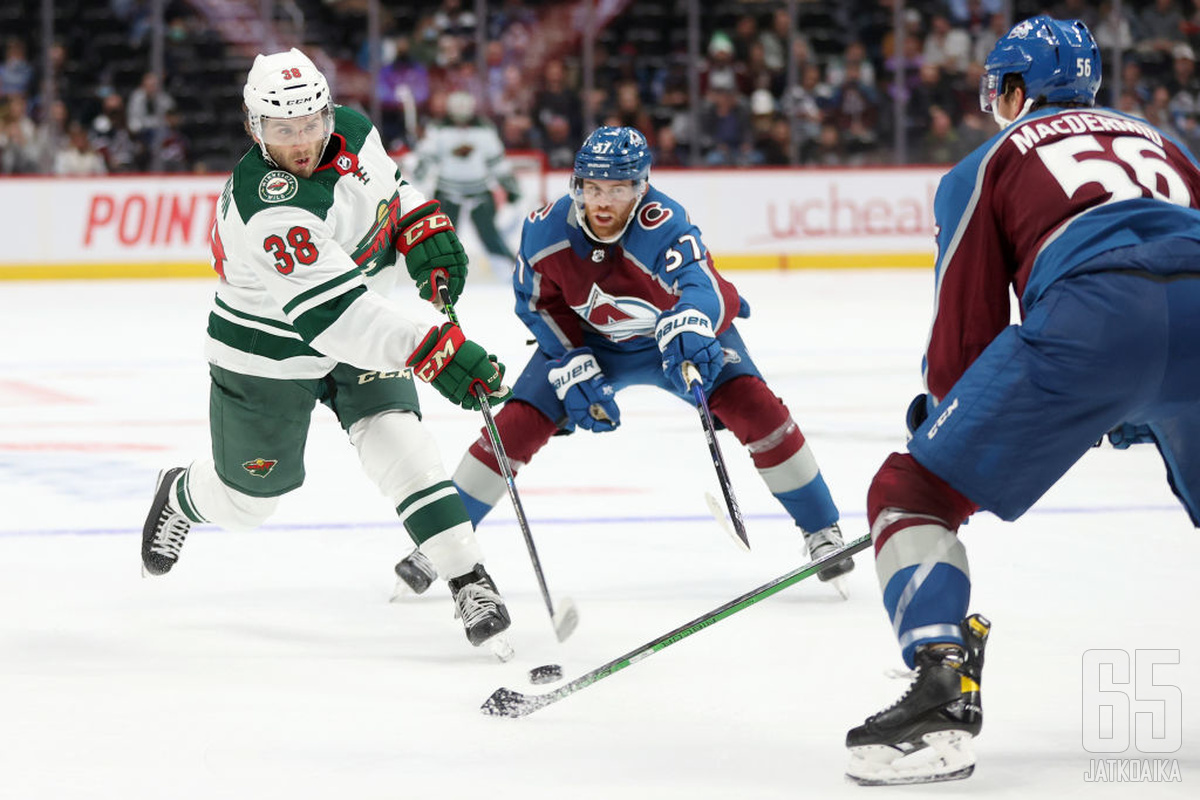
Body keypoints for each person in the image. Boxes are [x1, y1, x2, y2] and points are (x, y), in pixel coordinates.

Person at [845, 16, 1200, 785]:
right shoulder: (1164, 141)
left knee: (911, 493)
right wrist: (1144, 400)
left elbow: (968, 333)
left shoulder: (991, 159)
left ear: (1013, 90)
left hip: (1094, 316)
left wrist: (949, 422)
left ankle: (940, 695)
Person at [139, 48, 516, 654]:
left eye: (311, 123)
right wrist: (436, 352)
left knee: (401, 442)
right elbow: (336, 320)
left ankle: (470, 579)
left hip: (357, 330)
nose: (302, 142)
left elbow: (392, 191)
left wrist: (421, 228)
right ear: (254, 128)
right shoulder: (269, 203)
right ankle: (182, 493)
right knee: (250, 501)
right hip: (269, 353)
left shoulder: (357, 131)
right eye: (283, 130)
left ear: (327, 111)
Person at [391, 125, 854, 596]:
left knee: (758, 409)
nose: (603, 202)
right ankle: (439, 544)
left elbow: (704, 284)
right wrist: (570, 357)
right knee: (514, 425)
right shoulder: (545, 230)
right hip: (593, 344)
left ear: (641, 186)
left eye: (617, 188)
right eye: (593, 188)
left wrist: (691, 321)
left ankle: (822, 530)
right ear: (578, 186)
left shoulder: (663, 222)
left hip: (672, 339)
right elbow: (536, 304)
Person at [412, 91, 521, 278]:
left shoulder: (484, 130)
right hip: (447, 192)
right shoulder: (438, 129)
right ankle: (438, 274)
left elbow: (496, 161)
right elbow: (427, 156)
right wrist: (419, 171)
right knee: (443, 238)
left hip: (479, 191)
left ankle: (516, 271)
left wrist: (510, 186)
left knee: (490, 237)